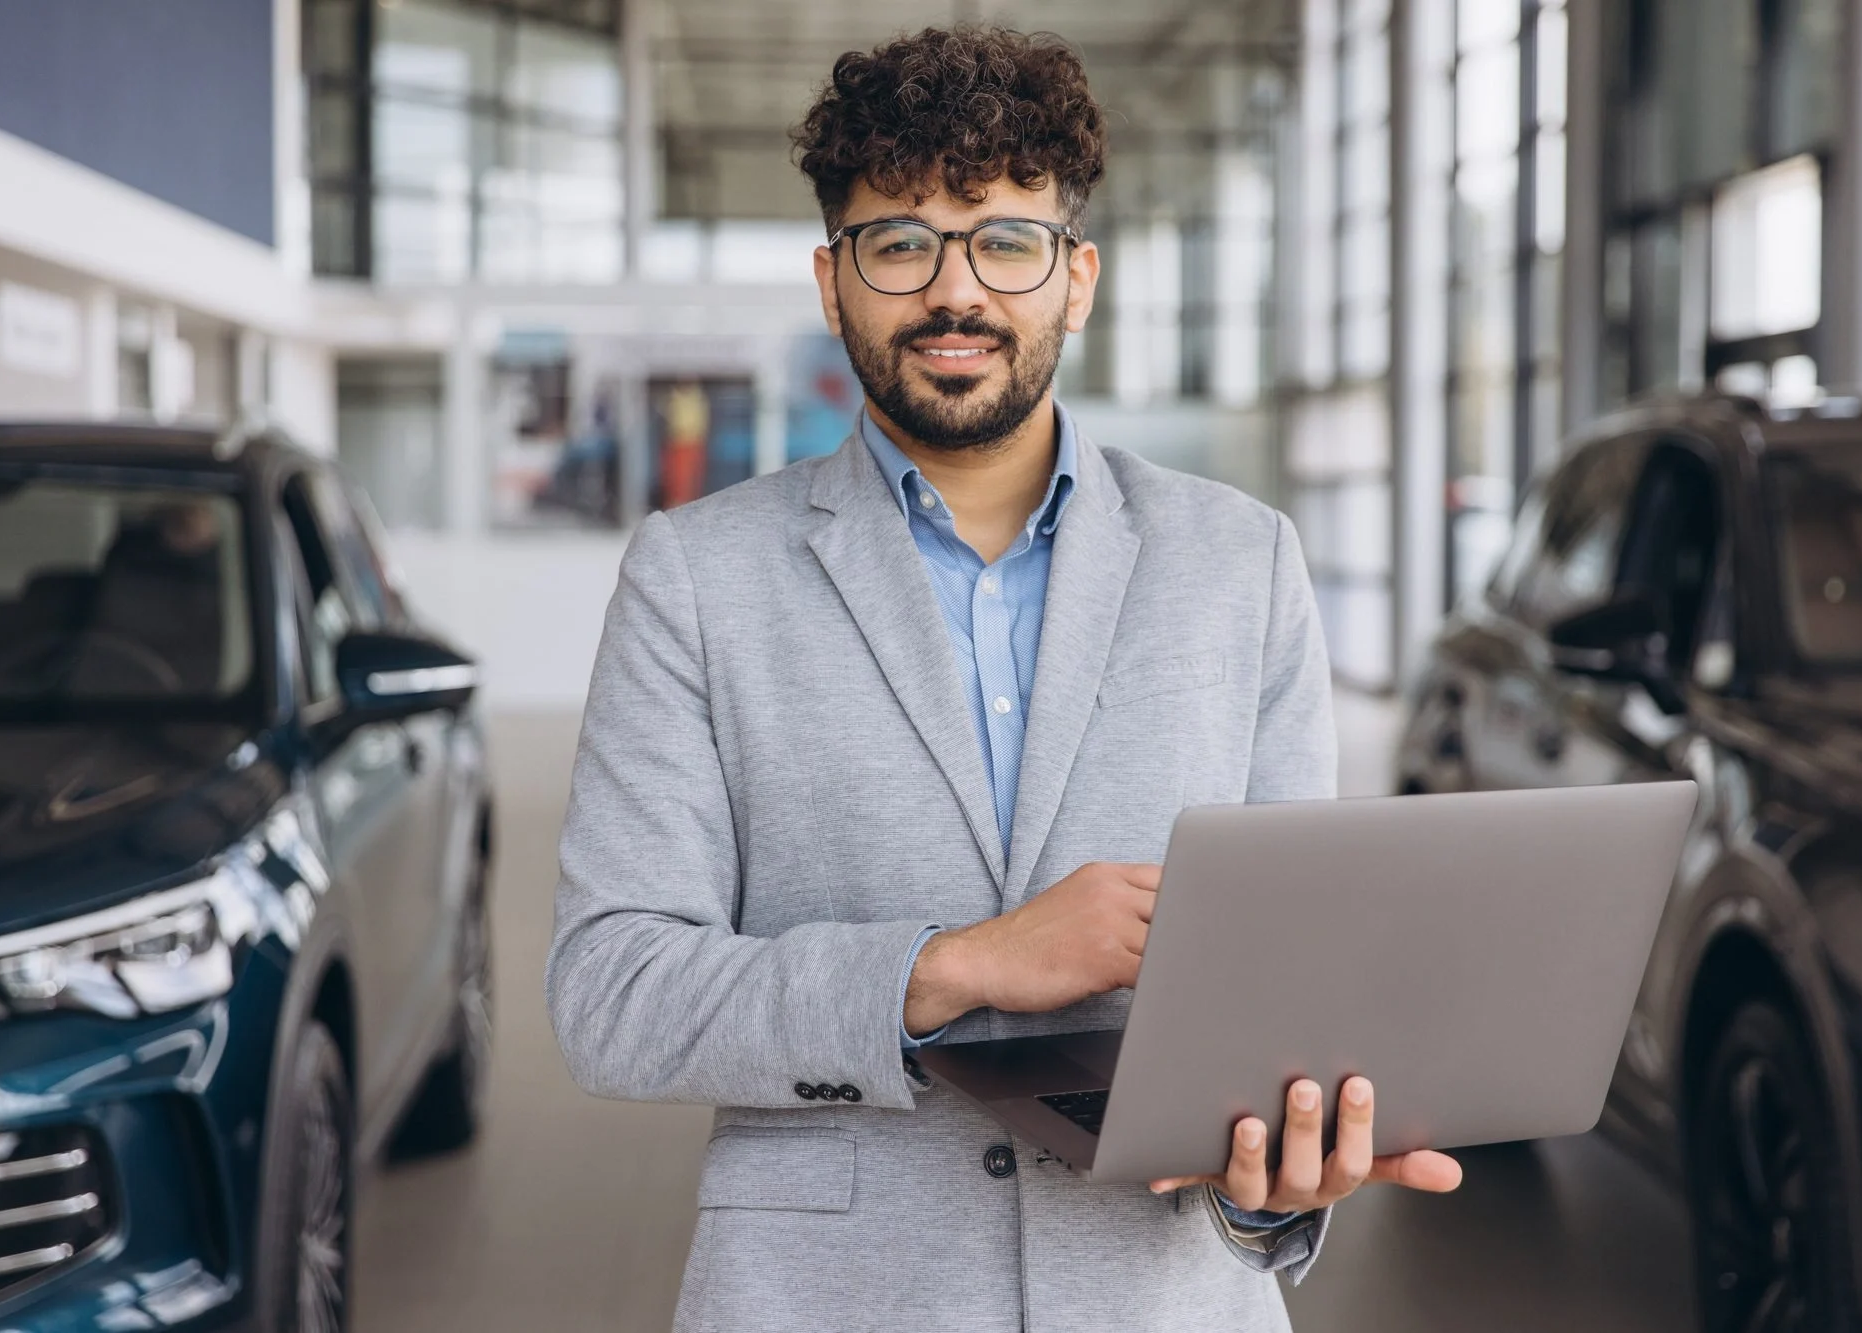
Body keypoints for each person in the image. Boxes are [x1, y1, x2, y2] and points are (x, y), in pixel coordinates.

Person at [547, 26, 1460, 1331]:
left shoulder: (1240, 563)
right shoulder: (698, 576)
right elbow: (612, 993)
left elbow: (1286, 995)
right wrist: (957, 966)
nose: (954, 291)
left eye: (1004, 241)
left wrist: (1275, 1186)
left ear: (1075, 277)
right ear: (833, 279)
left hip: (1158, 1298)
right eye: (901, 241)